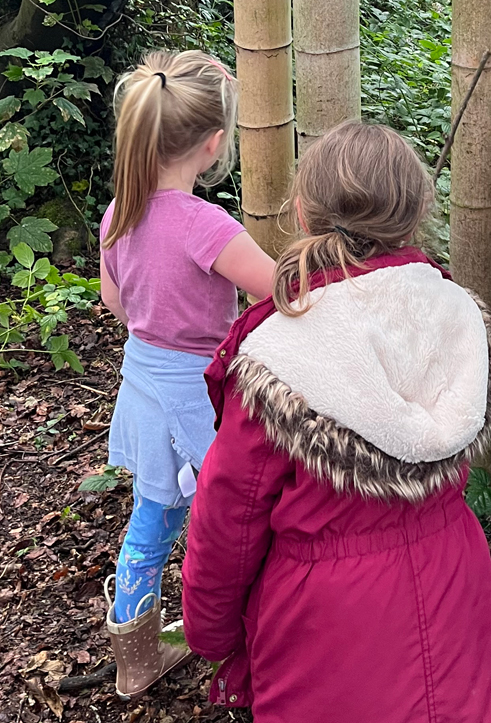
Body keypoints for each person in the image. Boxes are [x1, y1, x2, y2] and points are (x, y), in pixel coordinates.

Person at [180, 120, 491, 723]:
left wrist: (210, 633)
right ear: (414, 218)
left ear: (304, 214)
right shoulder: (457, 316)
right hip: (457, 601)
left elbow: (228, 520)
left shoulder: (279, 353)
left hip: (326, 635)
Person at [98, 50, 275, 701]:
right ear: (213, 145)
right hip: (202, 394)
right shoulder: (207, 226)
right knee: (233, 516)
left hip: (144, 381)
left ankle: (134, 656)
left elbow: (115, 300)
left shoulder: (118, 213)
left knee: (153, 517)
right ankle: (256, 636)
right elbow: (279, 292)